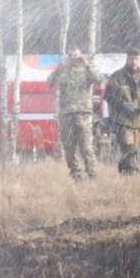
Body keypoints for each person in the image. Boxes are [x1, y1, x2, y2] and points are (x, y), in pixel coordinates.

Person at [50, 48, 100, 180]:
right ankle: (76, 175)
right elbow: (50, 82)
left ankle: (92, 175)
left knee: (87, 148)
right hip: (67, 114)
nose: (74, 58)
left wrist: (87, 64)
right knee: (69, 148)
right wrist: (59, 67)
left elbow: (99, 80)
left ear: (81, 56)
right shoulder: (63, 73)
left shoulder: (86, 71)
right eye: (71, 56)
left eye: (76, 56)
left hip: (83, 114)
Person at [105, 51, 140, 175]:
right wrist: (122, 104)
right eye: (131, 58)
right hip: (122, 119)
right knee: (128, 146)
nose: (133, 61)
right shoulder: (117, 76)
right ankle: (132, 171)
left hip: (138, 120)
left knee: (134, 150)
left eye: (136, 58)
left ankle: (124, 170)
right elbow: (108, 96)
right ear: (127, 59)